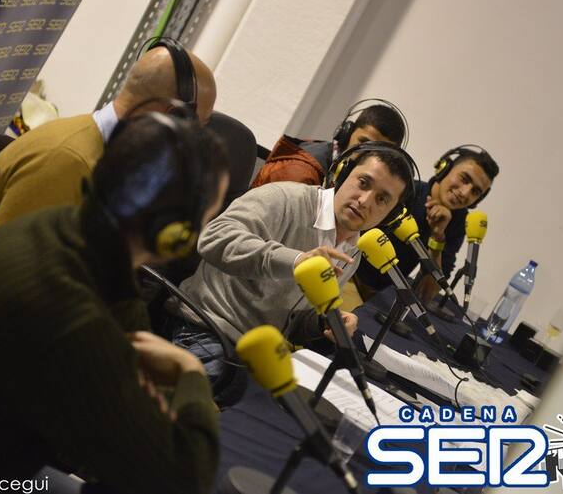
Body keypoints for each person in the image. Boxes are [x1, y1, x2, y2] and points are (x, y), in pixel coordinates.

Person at [0, 112, 229, 494]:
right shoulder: (68, 312)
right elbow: (182, 480)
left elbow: (126, 325)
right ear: (174, 232)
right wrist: (192, 375)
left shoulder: (64, 228)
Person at [165, 142, 416, 404]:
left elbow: (291, 320)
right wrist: (295, 261)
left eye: (382, 199)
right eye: (363, 183)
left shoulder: (352, 253)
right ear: (342, 174)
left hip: (261, 353)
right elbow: (214, 238)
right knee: (202, 413)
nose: (365, 201)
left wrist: (322, 323)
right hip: (206, 327)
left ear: (390, 216)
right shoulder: (284, 199)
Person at [0, 39, 216, 233]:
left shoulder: (104, 160)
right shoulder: (69, 162)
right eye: (197, 128)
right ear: (172, 117)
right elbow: (4, 272)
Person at [353, 145, 500, 302]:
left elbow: (427, 293)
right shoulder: (406, 192)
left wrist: (437, 237)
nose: (465, 193)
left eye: (475, 192)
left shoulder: (458, 222)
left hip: (384, 297)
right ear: (444, 168)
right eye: (464, 179)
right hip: (351, 277)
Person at [251, 99, 407, 187]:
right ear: (346, 133)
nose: (368, 156)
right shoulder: (301, 174)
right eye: (363, 143)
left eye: (378, 153)